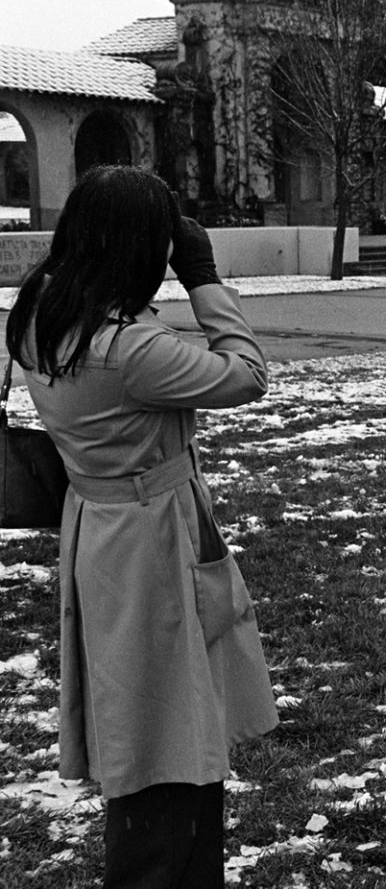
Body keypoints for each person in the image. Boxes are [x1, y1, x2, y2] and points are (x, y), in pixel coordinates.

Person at [4, 165, 276, 888]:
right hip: (150, 539)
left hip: (100, 527)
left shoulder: (43, 314)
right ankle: (164, 866)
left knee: (145, 706)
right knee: (163, 721)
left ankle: (178, 856)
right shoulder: (131, 350)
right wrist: (204, 276)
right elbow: (246, 372)